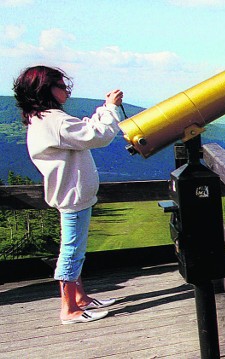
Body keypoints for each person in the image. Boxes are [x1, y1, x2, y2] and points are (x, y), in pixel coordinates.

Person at [13, 65, 124, 324]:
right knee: (71, 251)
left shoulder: (44, 118)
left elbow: (82, 133)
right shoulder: (54, 120)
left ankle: (81, 299)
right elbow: (98, 135)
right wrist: (109, 108)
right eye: (62, 86)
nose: (67, 91)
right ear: (45, 89)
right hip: (73, 196)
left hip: (70, 194)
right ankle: (69, 309)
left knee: (76, 250)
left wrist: (103, 111)